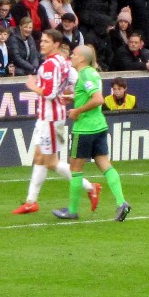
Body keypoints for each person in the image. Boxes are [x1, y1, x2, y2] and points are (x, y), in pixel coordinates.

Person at [13, 29, 97, 215]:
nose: (41, 44)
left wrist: (33, 86)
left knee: (50, 162)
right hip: (48, 117)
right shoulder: (64, 62)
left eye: (46, 41)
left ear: (56, 44)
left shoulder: (51, 64)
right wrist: (69, 95)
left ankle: (90, 187)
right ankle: (31, 201)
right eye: (41, 40)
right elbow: (76, 83)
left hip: (50, 118)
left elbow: (50, 93)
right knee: (39, 157)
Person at [53, 44, 130, 221]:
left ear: (81, 58)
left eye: (74, 54)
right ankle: (121, 202)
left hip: (85, 129)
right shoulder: (93, 73)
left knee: (75, 168)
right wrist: (74, 98)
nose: (71, 57)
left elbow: (98, 99)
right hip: (99, 126)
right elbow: (91, 94)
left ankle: (72, 210)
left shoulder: (85, 74)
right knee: (105, 165)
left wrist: (77, 110)